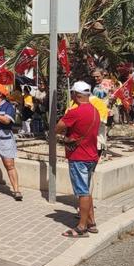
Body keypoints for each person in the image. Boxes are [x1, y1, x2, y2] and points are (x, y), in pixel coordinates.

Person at [55, 81, 101, 238]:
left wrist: (64, 133)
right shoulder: (95, 111)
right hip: (92, 156)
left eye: (73, 93)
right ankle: (91, 223)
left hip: (78, 156)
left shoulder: (75, 112)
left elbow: (58, 127)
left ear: (76, 95)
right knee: (86, 191)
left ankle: (82, 227)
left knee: (82, 192)